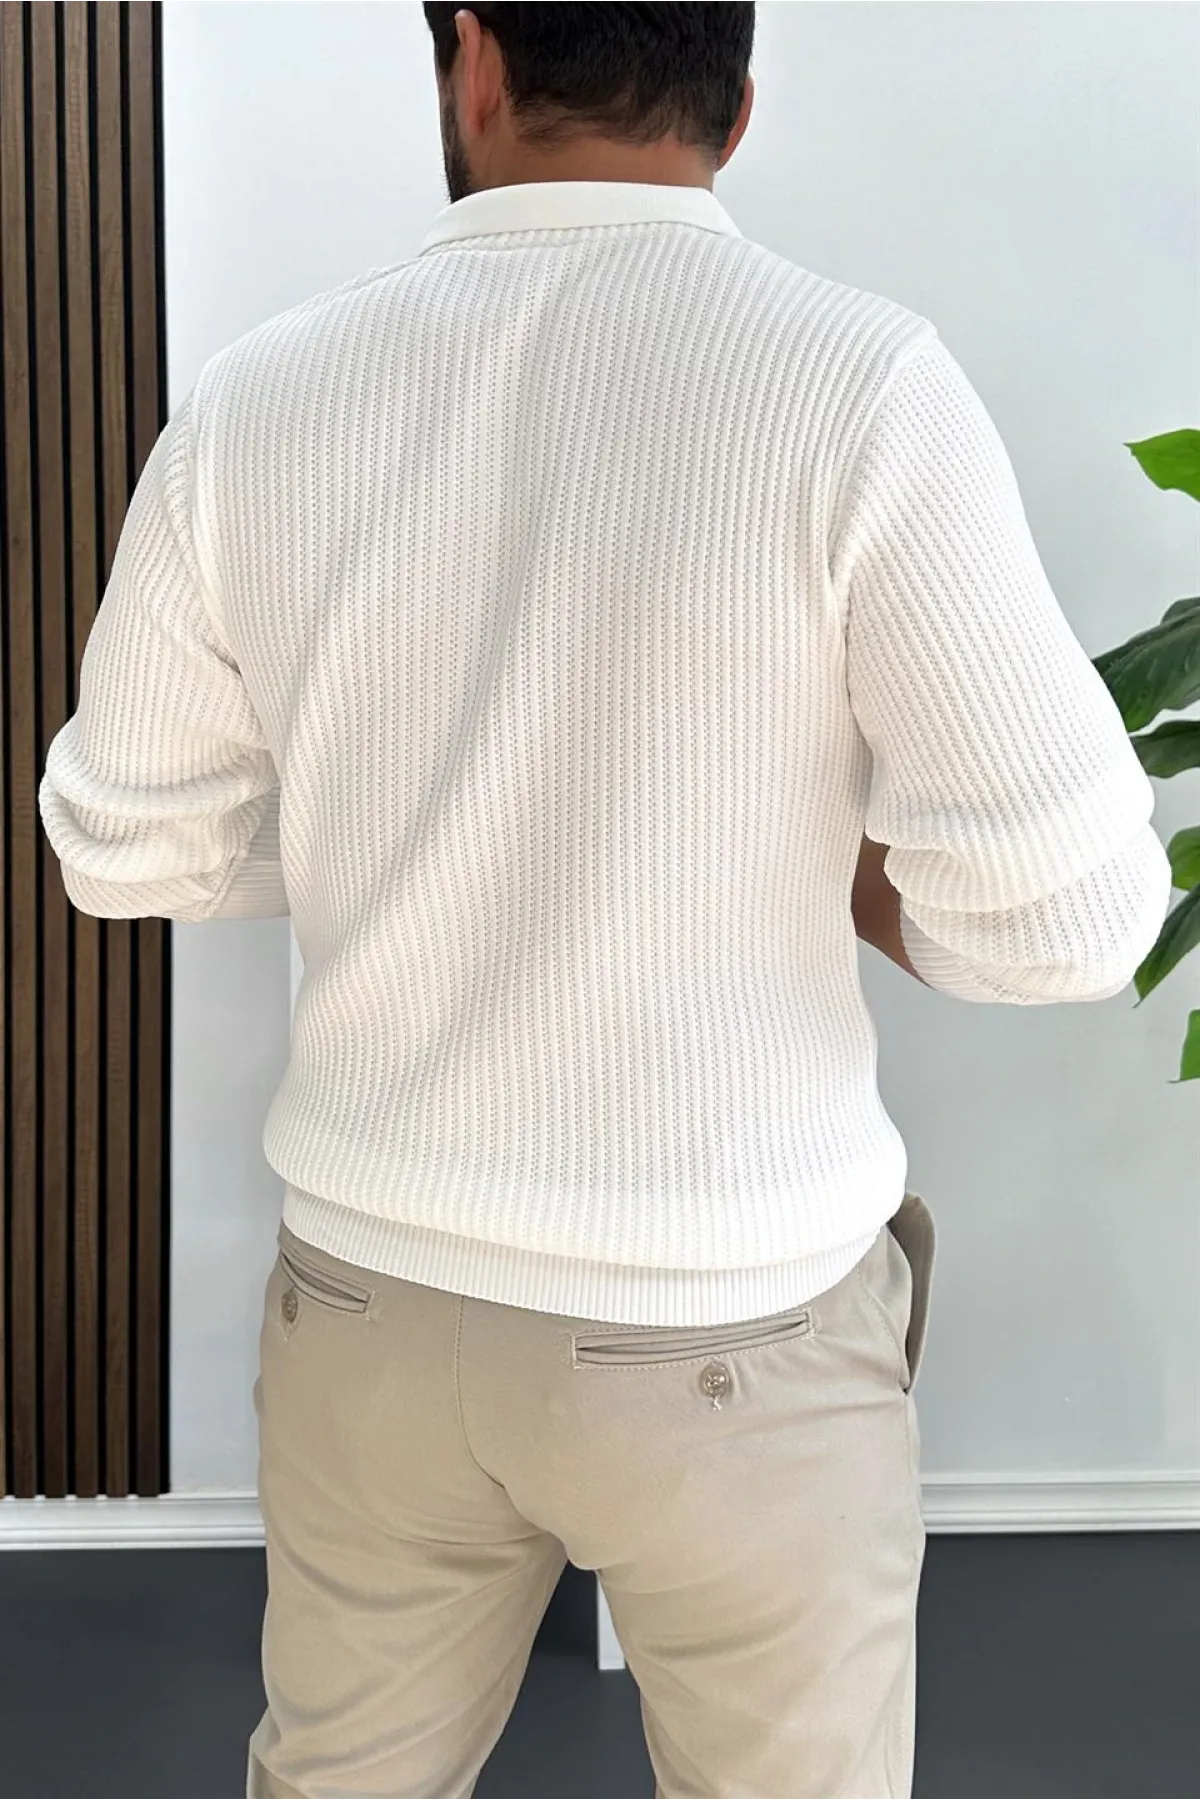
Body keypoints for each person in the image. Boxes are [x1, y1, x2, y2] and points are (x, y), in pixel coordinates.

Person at [40, 3, 1171, 1796]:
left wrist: (400, 832)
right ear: (737, 102)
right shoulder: (856, 385)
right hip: (736, 1333)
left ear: (474, 62)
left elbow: (121, 847)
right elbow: (1073, 918)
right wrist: (822, 865)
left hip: (372, 1307)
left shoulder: (261, 395)